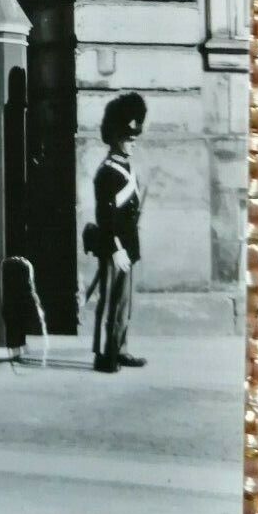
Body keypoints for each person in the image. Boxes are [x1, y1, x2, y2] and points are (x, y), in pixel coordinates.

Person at [91, 91, 147, 374]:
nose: (132, 142)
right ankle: (104, 353)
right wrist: (116, 248)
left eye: (133, 137)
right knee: (110, 300)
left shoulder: (128, 169)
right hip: (114, 247)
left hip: (128, 245)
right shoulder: (107, 172)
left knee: (124, 302)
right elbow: (105, 216)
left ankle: (120, 348)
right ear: (115, 138)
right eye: (128, 138)